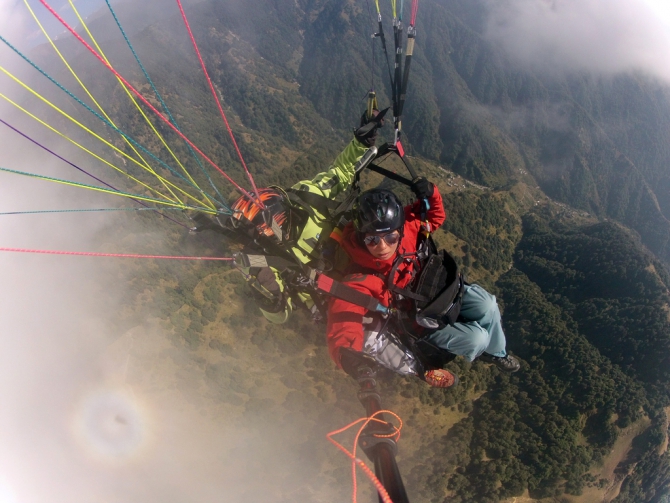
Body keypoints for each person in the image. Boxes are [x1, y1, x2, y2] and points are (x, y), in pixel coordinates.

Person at [192, 110, 386, 324]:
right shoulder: (258, 259)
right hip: (336, 303)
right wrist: (269, 296)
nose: (275, 238)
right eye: (267, 236)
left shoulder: (305, 196)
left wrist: (360, 143)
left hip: (362, 260)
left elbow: (339, 172)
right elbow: (280, 313)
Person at [326, 181, 520, 388]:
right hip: (419, 322)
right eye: (372, 240)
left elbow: (434, 215)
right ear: (360, 236)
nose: (382, 247)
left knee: (487, 304)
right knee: (477, 339)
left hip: (440, 290)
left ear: (398, 230)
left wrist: (431, 193)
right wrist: (347, 355)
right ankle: (474, 352)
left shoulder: (408, 225)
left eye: (390, 237)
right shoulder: (361, 277)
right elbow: (344, 318)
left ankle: (497, 353)